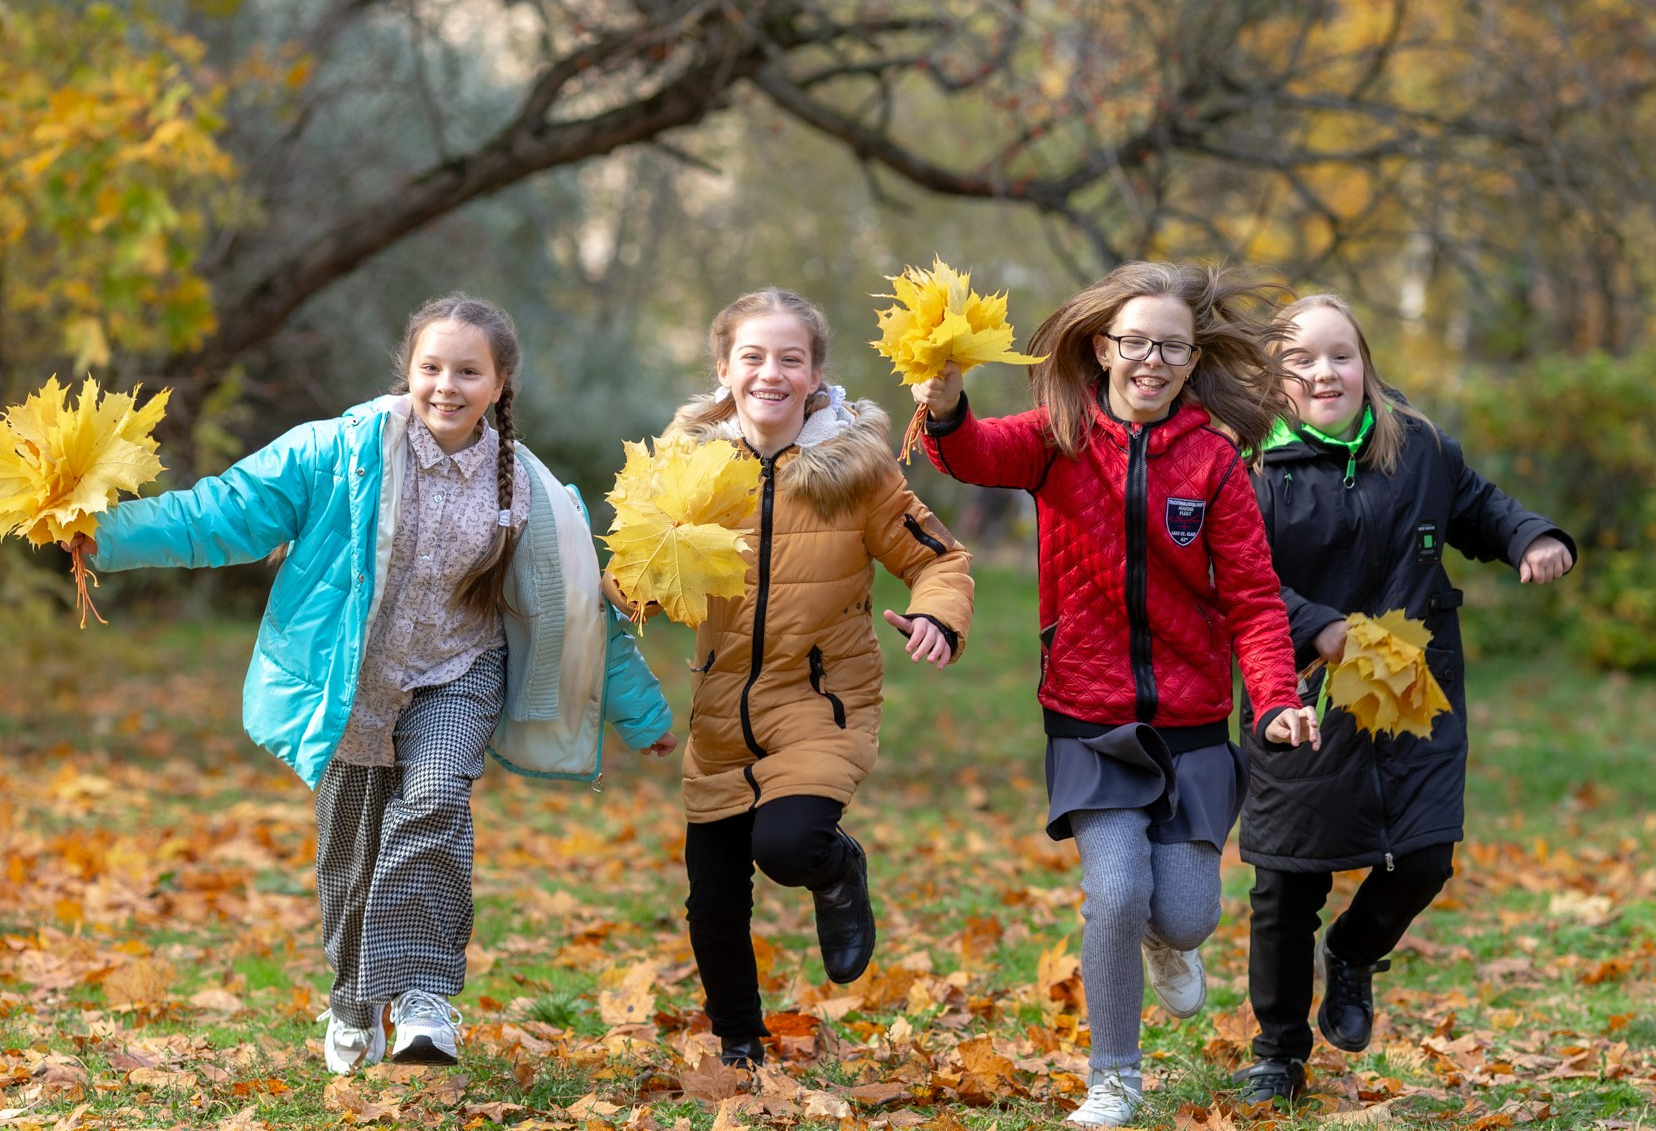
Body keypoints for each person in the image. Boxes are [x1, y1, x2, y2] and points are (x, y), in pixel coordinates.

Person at [69, 294, 676, 1075]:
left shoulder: (524, 488)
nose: (446, 386)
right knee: (350, 861)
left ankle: (425, 1000)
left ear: (499, 384)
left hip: (458, 675)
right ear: (408, 371)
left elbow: (583, 609)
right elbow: (226, 510)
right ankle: (354, 999)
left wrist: (642, 713)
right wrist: (108, 536)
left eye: (468, 371)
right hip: (351, 685)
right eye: (431, 367)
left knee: (433, 800)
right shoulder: (338, 451)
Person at [912, 261, 1320, 1128]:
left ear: (1189, 355)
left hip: (1192, 721)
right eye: (1135, 342)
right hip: (1089, 714)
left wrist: (1277, 699)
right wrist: (945, 404)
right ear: (1101, 347)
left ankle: (1165, 948)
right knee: (1116, 889)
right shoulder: (1057, 433)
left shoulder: (1213, 459)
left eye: (1171, 346)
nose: (1152, 360)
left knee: (1184, 913)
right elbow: (971, 453)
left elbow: (1251, 596)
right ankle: (1113, 1077)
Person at [1231, 293, 1576, 1104]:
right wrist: (1312, 625)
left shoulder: (1415, 445)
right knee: (1287, 884)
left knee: (1423, 854)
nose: (1324, 372)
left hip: (1407, 685)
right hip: (1299, 692)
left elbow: (1478, 507)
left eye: (1340, 355)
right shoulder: (1245, 468)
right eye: (1301, 359)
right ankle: (1277, 1053)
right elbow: (1235, 582)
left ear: (1366, 364)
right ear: (1271, 377)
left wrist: (1532, 536)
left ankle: (1352, 954)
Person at [627, 287, 974, 1070]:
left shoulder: (858, 473)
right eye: (752, 356)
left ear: (816, 374)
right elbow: (635, 580)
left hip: (822, 699)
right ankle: (740, 1046)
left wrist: (937, 616)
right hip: (720, 713)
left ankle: (835, 864)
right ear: (723, 369)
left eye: (790, 358)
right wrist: (630, 579)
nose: (770, 373)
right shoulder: (688, 474)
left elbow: (938, 557)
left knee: (788, 845)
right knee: (712, 902)